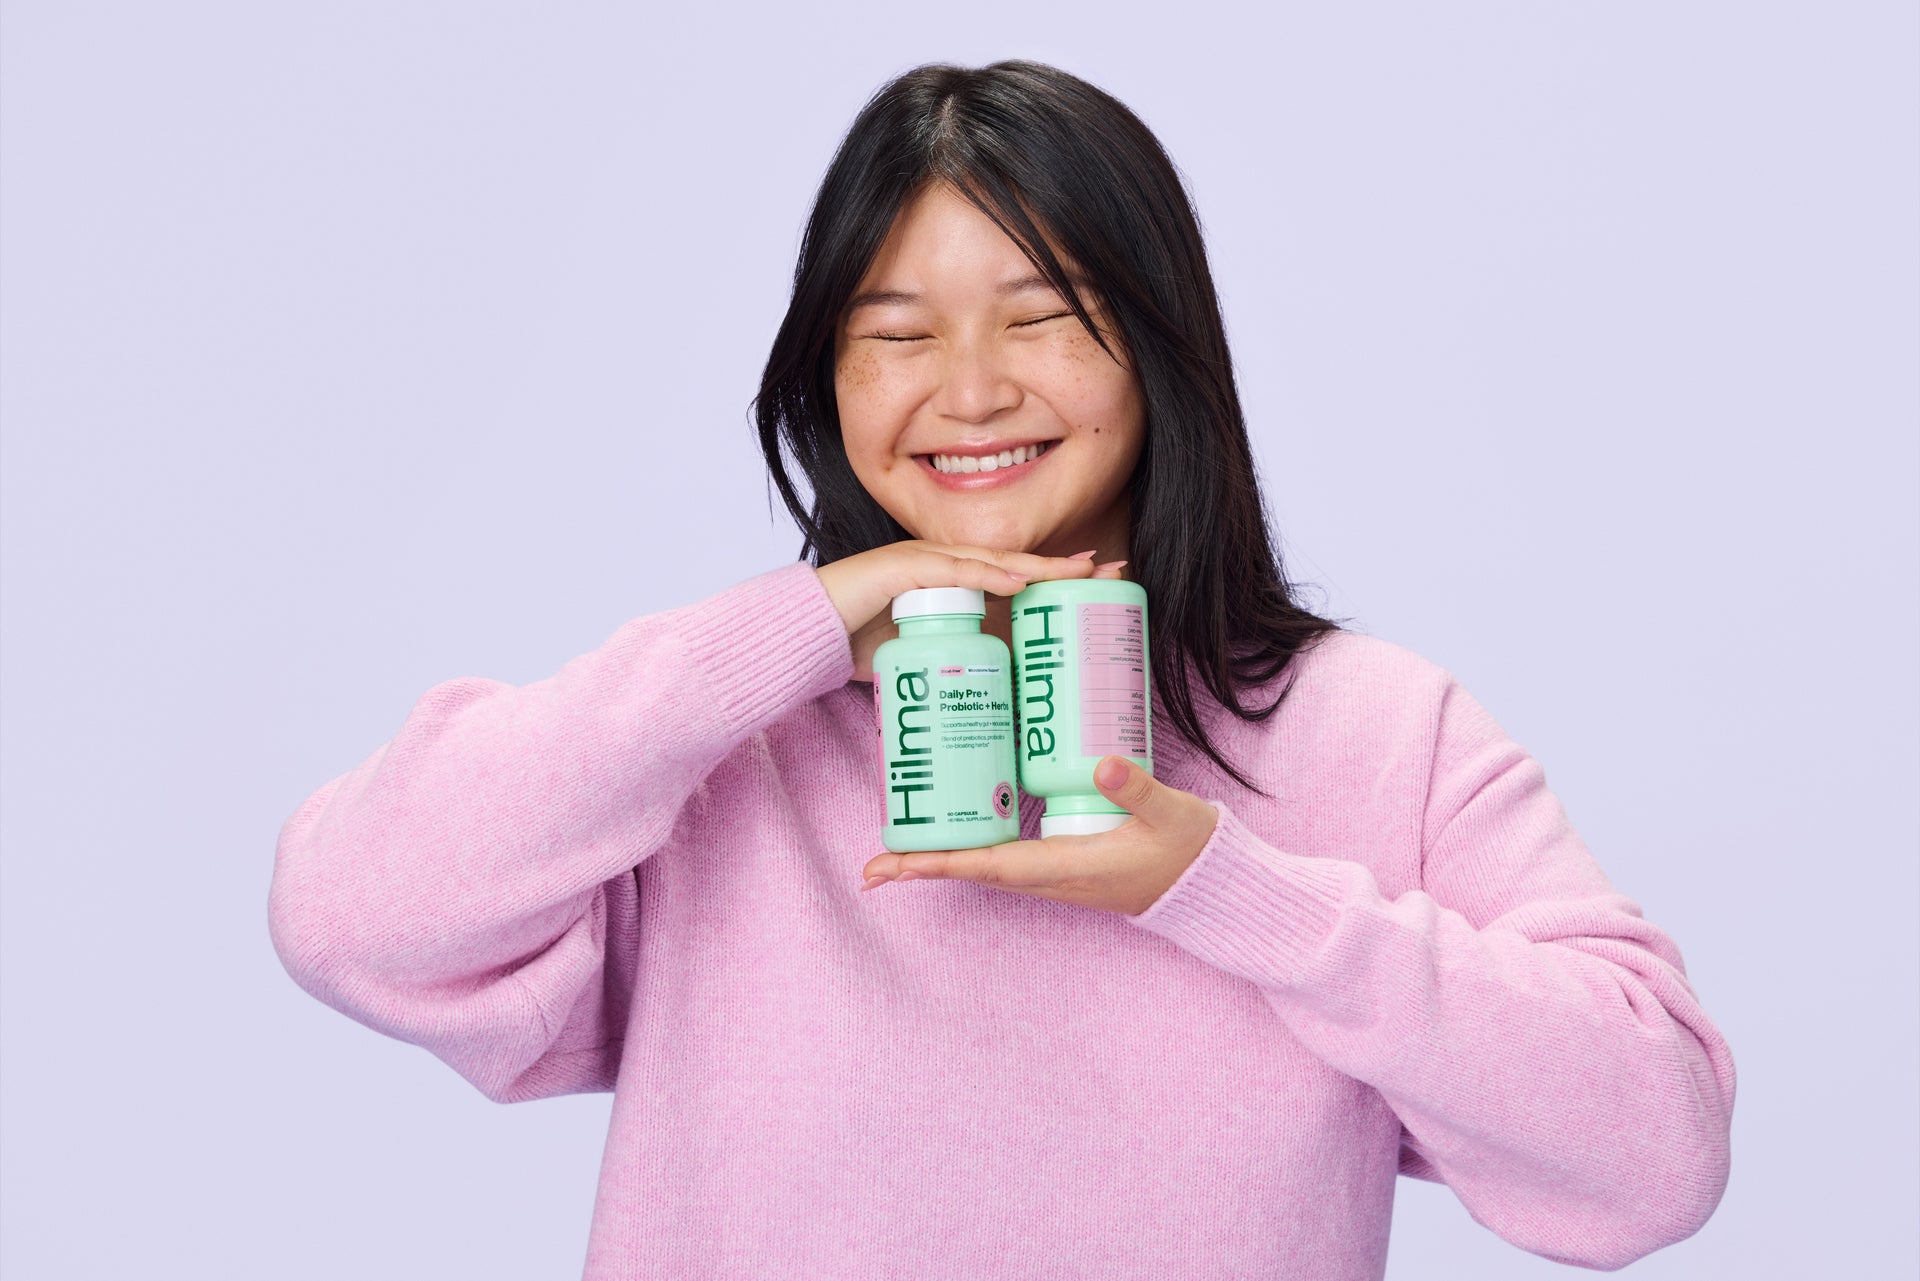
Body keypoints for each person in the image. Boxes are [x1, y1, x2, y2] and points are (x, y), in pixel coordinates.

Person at [267, 59, 1735, 1280]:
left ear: (1162, 354)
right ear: (823, 386)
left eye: (1039, 319)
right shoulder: (720, 748)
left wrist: (1221, 887)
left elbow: (1654, 1155)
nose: (970, 393)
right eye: (894, 337)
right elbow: (352, 915)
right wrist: (799, 633)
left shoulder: (1374, 732)